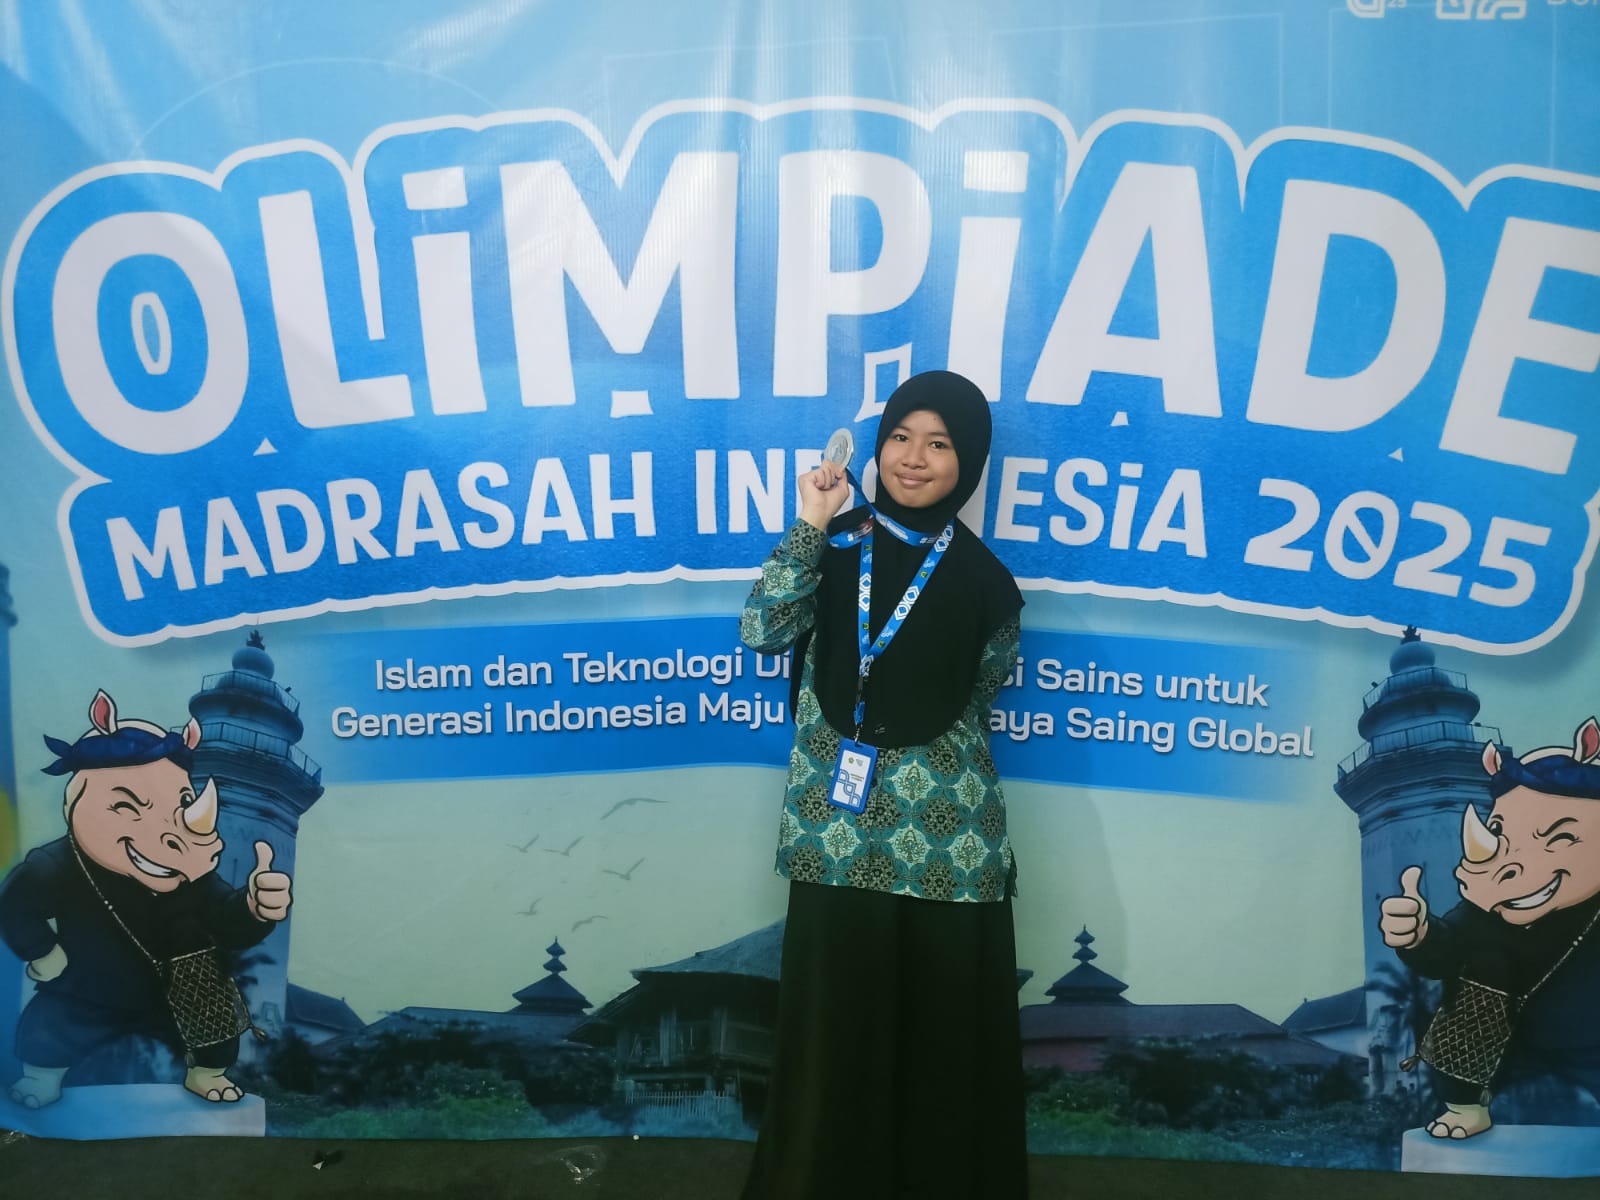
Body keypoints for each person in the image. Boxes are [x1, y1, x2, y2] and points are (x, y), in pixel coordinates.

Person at [739, 371, 1028, 1199]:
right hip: (835, 838)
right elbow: (762, 630)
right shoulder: (832, 545)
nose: (913, 458)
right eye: (900, 436)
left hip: (950, 844)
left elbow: (979, 696)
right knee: (835, 1034)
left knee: (943, 1043)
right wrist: (810, 520)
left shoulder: (989, 583)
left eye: (939, 443)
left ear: (969, 463)